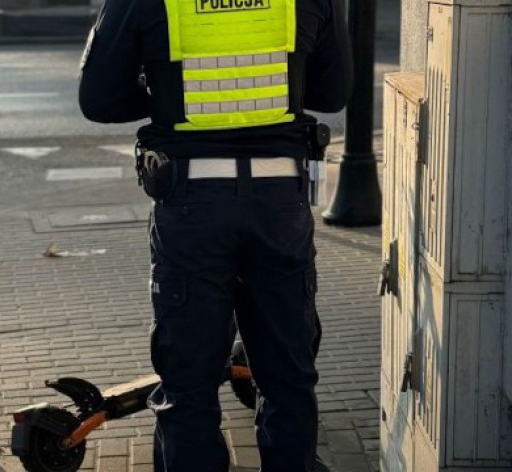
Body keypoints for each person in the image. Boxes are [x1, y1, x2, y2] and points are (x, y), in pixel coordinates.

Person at [78, 0, 352, 469]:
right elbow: (332, 92)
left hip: (192, 207)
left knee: (188, 385)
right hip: (277, 205)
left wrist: (169, 92)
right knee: (287, 379)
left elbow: (99, 98)